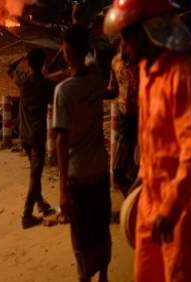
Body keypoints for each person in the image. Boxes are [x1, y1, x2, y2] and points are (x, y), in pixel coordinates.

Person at [103, 0, 191, 282]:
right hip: (152, 194)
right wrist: (143, 177)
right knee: (148, 272)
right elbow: (153, 137)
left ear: (147, 31)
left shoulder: (183, 74)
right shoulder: (147, 72)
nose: (123, 46)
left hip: (182, 202)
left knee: (179, 273)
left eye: (127, 36)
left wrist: (171, 205)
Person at [51, 25, 111, 282]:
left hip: (78, 175)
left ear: (66, 52)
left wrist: (63, 189)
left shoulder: (64, 91)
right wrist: (80, 24)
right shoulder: (97, 77)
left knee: (81, 234)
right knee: (101, 226)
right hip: (99, 169)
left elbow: (62, 141)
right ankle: (104, 275)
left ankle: (85, 277)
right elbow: (91, 57)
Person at [8, 48, 55, 229]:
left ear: (28, 63)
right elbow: (52, 98)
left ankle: (41, 203)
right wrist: (46, 76)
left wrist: (22, 56)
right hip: (37, 136)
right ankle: (27, 215)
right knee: (35, 175)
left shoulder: (24, 81)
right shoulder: (44, 84)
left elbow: (10, 68)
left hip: (24, 134)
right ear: (42, 64)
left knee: (34, 172)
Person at [104, 41, 139, 195]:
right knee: (119, 169)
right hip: (125, 117)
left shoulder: (143, 62)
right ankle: (131, 203)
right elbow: (113, 89)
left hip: (143, 116)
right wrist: (95, 90)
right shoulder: (116, 63)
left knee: (137, 164)